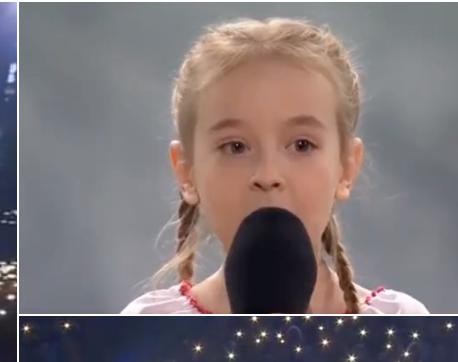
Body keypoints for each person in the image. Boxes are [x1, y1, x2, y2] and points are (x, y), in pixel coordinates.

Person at [121, 18, 429, 315]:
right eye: (236, 147)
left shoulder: (403, 331)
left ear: (346, 167)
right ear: (186, 172)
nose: (268, 176)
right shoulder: (146, 333)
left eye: (301, 145)